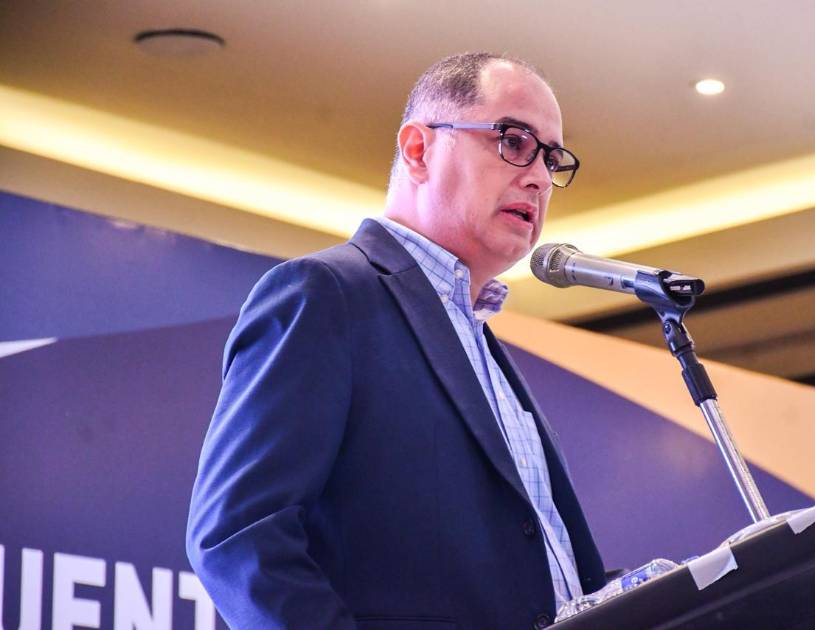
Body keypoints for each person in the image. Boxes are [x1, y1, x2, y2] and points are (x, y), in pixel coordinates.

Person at [186, 52, 605, 630]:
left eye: (552, 158)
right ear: (417, 149)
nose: (538, 176)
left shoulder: (480, 340)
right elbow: (239, 536)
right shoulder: (325, 294)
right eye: (513, 141)